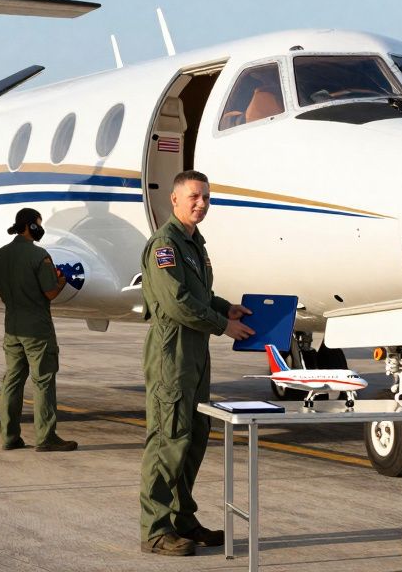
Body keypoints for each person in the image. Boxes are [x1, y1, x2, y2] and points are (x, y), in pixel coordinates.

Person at [138, 170, 255, 556]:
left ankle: (182, 519)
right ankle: (155, 531)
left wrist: (226, 307)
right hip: (172, 355)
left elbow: (199, 295)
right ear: (174, 200)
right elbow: (176, 302)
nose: (201, 203)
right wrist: (224, 325)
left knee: (193, 439)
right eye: (193, 196)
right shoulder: (165, 245)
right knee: (168, 441)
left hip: (195, 355)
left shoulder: (194, 244)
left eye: (205, 197)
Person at [0, 207, 76, 452]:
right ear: (30, 225)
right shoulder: (39, 256)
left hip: (12, 327)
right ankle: (46, 437)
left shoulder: (0, 255)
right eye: (38, 224)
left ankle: (9, 437)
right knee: (43, 381)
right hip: (37, 328)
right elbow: (50, 292)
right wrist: (61, 280)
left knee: (12, 381)